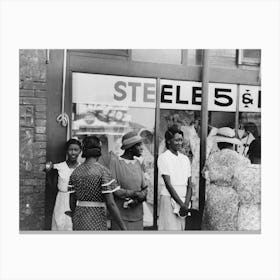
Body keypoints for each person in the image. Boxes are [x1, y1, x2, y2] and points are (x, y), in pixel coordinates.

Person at [69, 135, 126, 231]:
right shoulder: (102, 171)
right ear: (98, 150)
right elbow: (111, 204)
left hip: (78, 219)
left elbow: (72, 202)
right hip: (96, 218)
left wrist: (75, 217)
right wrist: (123, 228)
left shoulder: (75, 172)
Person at [202, 127, 252, 231]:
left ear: (219, 143)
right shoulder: (242, 160)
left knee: (213, 226)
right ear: (232, 143)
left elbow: (204, 174)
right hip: (231, 195)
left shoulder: (212, 157)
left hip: (214, 195)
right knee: (229, 226)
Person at [109, 131, 148, 230]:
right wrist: (135, 194)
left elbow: (144, 188)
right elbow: (114, 190)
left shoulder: (138, 163)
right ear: (130, 148)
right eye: (138, 145)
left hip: (137, 215)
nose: (142, 148)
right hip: (120, 216)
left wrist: (141, 196)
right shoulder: (115, 162)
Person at [157, 125, 193, 231]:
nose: (180, 143)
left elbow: (190, 184)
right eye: (176, 140)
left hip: (183, 199)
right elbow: (168, 184)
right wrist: (181, 204)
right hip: (169, 198)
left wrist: (186, 204)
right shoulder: (164, 157)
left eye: (181, 140)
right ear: (168, 141)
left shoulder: (185, 159)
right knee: (169, 228)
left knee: (181, 229)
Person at [46, 138, 82, 231]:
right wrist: (48, 169)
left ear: (80, 151)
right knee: (60, 224)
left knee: (73, 225)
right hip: (61, 199)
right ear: (66, 151)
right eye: (70, 150)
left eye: (76, 150)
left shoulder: (82, 168)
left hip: (76, 200)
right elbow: (52, 185)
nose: (73, 153)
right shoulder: (59, 167)